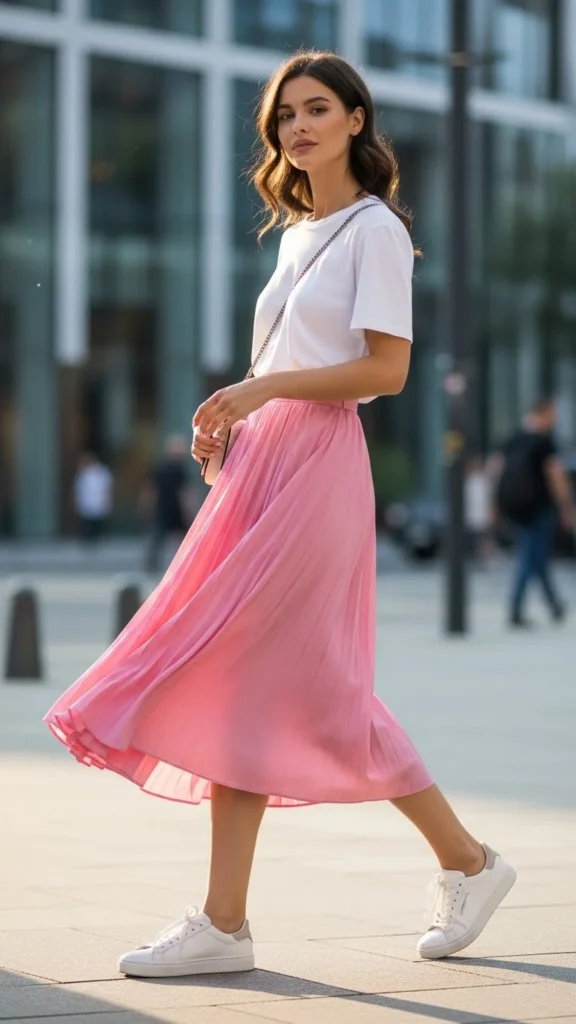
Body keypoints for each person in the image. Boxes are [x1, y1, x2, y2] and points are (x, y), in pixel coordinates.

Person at [44, 51, 516, 977]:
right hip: (266, 464)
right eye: (283, 116)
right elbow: (285, 362)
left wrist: (261, 393)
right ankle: (277, 910)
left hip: (320, 465)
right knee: (255, 682)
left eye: (315, 110)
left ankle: (445, 867)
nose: (296, 128)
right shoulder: (299, 231)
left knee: (283, 681)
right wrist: (234, 420)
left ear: (354, 118)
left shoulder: (376, 228)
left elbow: (387, 371)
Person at [495, 398, 574, 628]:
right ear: (544, 413)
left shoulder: (515, 438)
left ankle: (555, 605)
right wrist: (567, 507)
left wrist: (496, 506)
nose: (556, 418)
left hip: (517, 507)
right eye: (553, 413)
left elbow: (496, 470)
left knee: (536, 556)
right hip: (540, 507)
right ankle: (516, 609)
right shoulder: (544, 442)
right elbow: (556, 476)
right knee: (531, 557)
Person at [143, 434, 192, 573]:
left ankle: (152, 564)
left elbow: (151, 490)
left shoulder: (160, 467)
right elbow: (184, 493)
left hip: (162, 508)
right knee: (181, 537)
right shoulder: (180, 469)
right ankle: (181, 564)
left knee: (158, 537)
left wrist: (148, 506)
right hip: (175, 509)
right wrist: (188, 510)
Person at [73, 452, 113, 544]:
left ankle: (97, 539)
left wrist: (106, 499)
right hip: (86, 502)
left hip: (98, 501)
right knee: (87, 522)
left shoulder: (102, 472)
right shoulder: (82, 473)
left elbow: (107, 487)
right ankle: (87, 540)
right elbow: (79, 488)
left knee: (97, 522)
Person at [465, 455, 492, 568]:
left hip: (480, 516)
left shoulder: (483, 481)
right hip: (473, 516)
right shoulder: (469, 481)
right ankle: (478, 559)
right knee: (476, 540)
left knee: (482, 540)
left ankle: (483, 560)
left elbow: (488, 499)